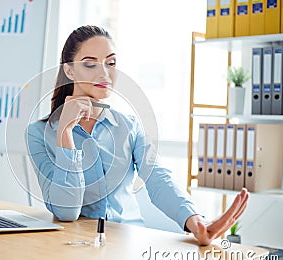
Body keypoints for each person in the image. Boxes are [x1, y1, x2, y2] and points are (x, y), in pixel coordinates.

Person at [26, 25, 249, 246]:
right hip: (72, 246)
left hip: (127, 245)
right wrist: (65, 133)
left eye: (111, 63)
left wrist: (195, 222)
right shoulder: (38, 134)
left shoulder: (129, 126)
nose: (104, 73)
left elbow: (157, 177)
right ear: (70, 71)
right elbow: (67, 211)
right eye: (90, 64)